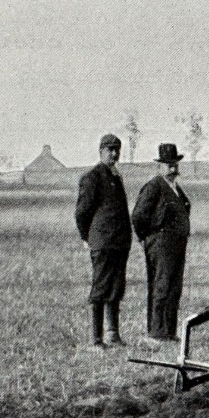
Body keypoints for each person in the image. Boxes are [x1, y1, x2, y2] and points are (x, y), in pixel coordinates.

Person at [74, 133, 132, 348]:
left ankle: (113, 334)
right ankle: (96, 339)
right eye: (110, 149)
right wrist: (86, 236)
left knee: (116, 288)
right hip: (103, 243)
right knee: (100, 288)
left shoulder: (116, 176)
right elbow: (81, 212)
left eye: (117, 149)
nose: (114, 153)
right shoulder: (92, 177)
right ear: (100, 151)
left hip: (119, 243)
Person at [132, 143, 192, 342]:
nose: (173, 169)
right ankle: (156, 332)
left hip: (177, 243)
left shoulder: (175, 188)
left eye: (174, 164)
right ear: (159, 166)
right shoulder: (154, 186)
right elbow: (139, 216)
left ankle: (169, 331)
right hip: (161, 244)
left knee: (174, 287)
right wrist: (147, 239)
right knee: (161, 286)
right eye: (168, 165)